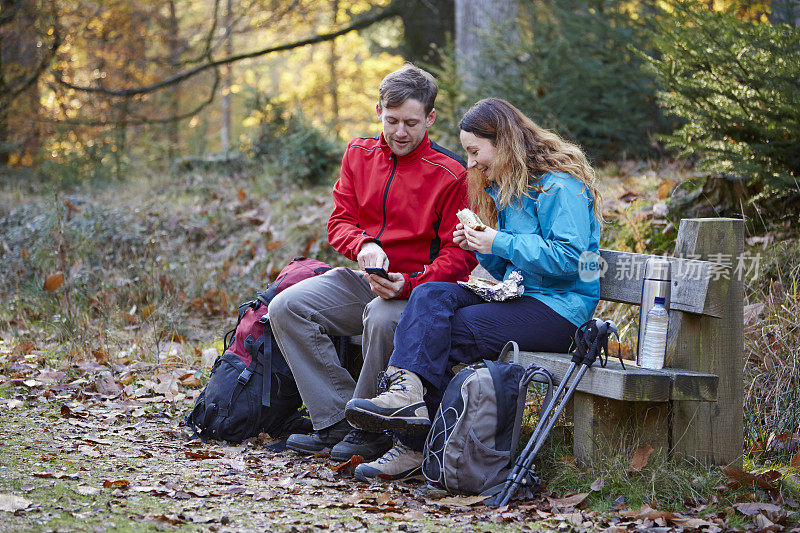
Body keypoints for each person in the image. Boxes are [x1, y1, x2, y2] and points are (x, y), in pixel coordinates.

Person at [345, 97, 603, 481]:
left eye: (474, 151)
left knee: (443, 331)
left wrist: (497, 242)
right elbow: (508, 266)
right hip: (521, 295)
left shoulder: (558, 186)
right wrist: (479, 244)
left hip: (561, 310)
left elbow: (573, 258)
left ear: (503, 141)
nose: (471, 163)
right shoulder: (507, 188)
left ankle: (414, 447)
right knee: (430, 295)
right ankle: (407, 398)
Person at [268, 65, 477, 463]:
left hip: (417, 291)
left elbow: (460, 256)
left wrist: (407, 285)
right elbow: (339, 221)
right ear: (378, 109)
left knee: (382, 316)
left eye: (412, 123)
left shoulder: (452, 175)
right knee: (287, 306)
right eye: (392, 120)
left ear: (430, 118)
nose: (400, 132)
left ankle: (371, 431)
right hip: (366, 277)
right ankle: (337, 421)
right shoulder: (358, 153)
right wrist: (363, 244)